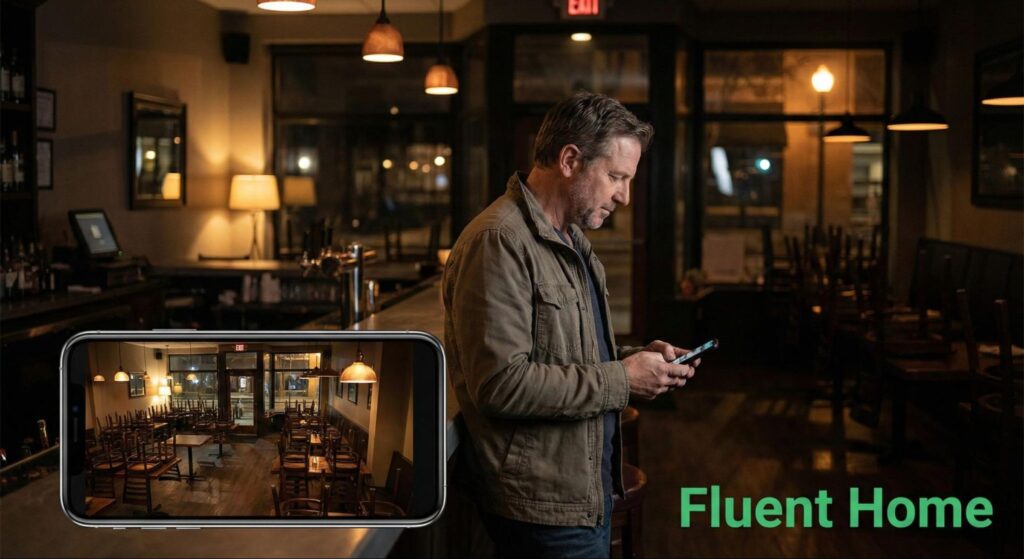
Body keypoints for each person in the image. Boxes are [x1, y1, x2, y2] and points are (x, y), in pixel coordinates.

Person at [442, 92, 701, 558]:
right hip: (540, 504)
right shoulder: (498, 241)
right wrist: (623, 378)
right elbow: (500, 385)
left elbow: (566, 357)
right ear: (569, 160)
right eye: (617, 177)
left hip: (581, 491)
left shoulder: (572, 241)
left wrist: (638, 361)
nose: (624, 195)